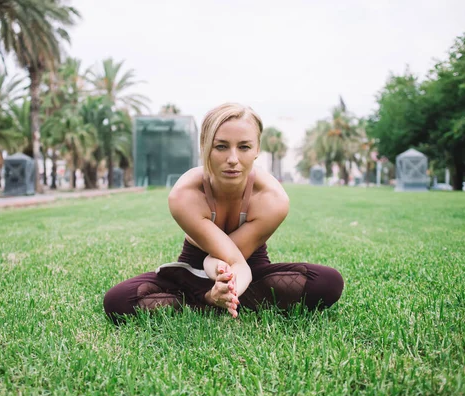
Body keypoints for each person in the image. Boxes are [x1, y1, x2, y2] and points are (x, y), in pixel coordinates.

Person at [104, 103, 344, 323]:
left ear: (257, 149)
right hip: (192, 272)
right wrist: (212, 292)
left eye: (244, 147)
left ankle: (212, 301)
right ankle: (211, 300)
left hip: (250, 269)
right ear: (204, 147)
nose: (232, 159)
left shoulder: (273, 199)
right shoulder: (185, 195)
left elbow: (236, 261)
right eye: (221, 146)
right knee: (117, 301)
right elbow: (209, 259)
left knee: (327, 282)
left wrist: (229, 288)